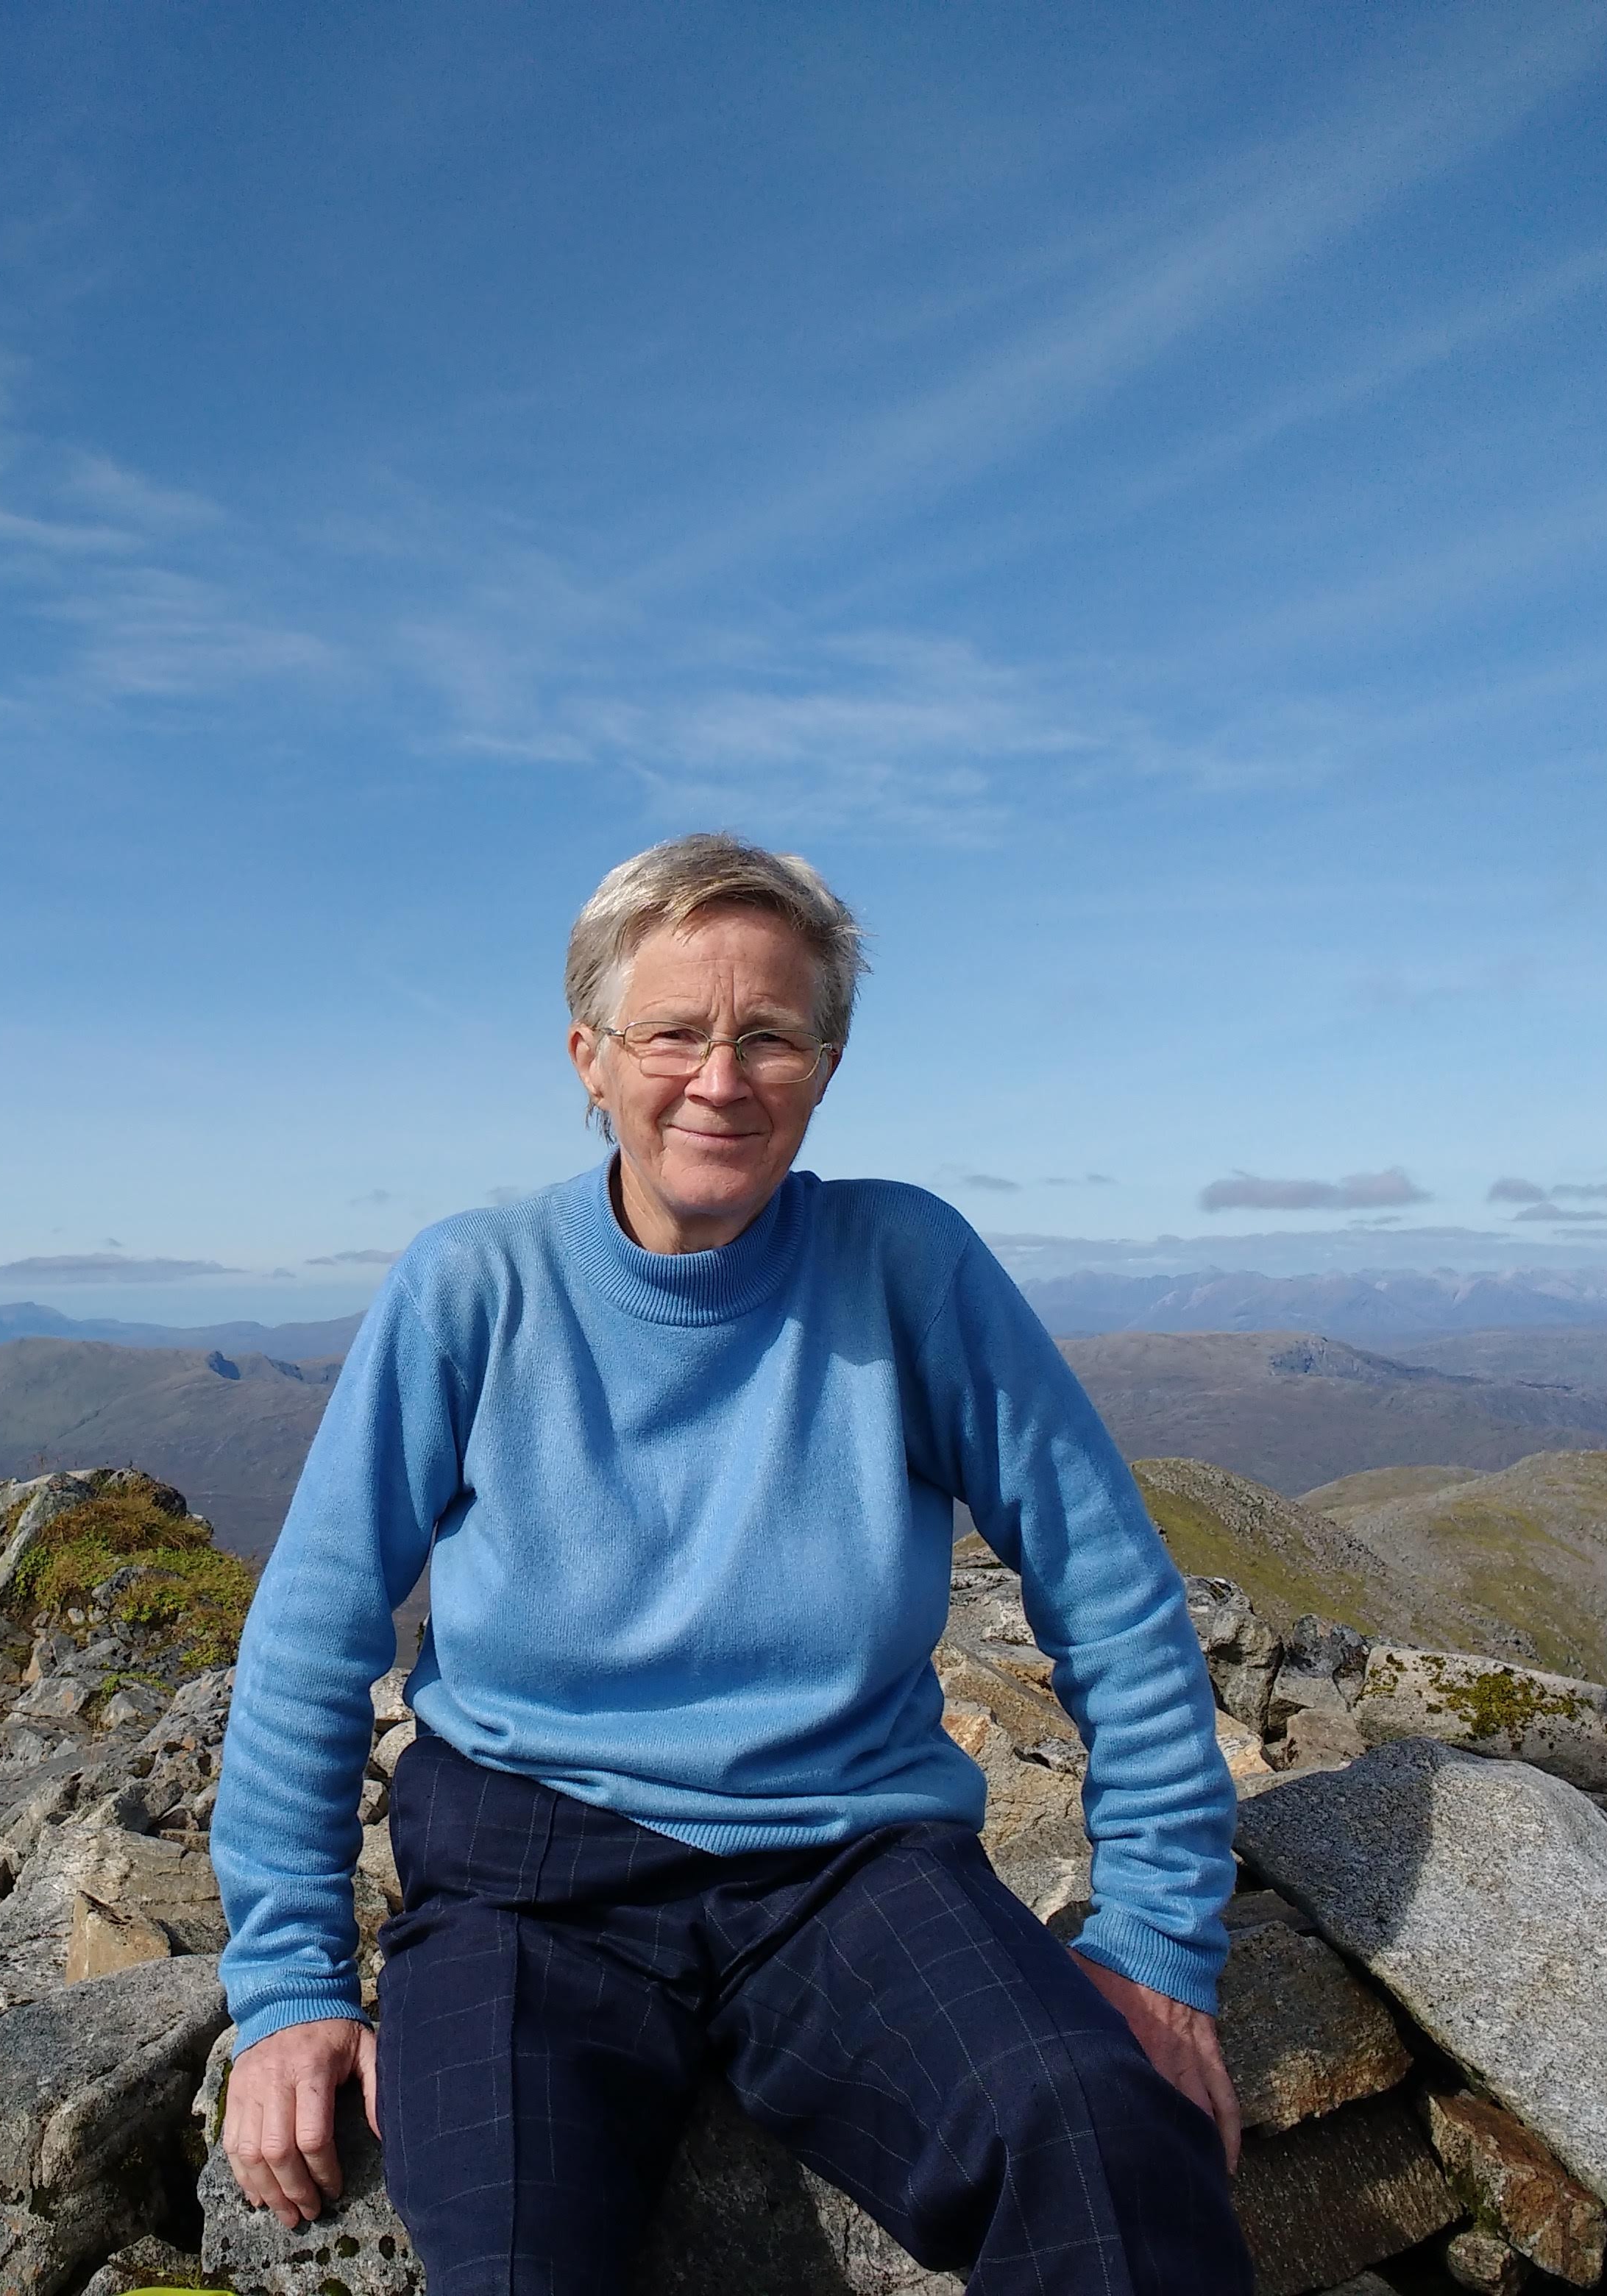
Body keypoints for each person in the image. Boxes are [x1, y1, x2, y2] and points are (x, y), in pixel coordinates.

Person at [210, 832, 1249, 2295]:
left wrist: (1152, 1940)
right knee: (512, 2265)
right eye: (674, 1033)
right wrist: (288, 1990)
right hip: (525, 1878)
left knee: (1093, 2139)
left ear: (825, 1065)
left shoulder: (906, 1262)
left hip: (847, 1860)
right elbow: (314, 1637)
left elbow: (1113, 1596)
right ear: (588, 1057)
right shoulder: (473, 1285)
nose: (720, 1075)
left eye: (770, 1034)